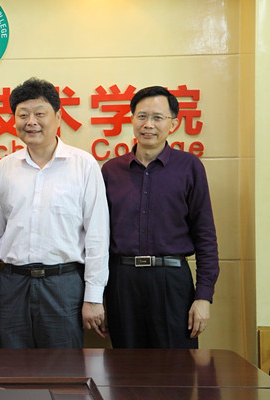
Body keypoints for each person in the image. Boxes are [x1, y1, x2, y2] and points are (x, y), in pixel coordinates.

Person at [0, 77, 110, 348]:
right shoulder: (5, 168)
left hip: (64, 285)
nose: (31, 122)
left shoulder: (83, 165)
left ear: (58, 117)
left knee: (64, 368)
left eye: (40, 114)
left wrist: (94, 296)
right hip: (12, 285)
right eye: (23, 115)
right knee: (12, 368)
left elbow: (97, 236)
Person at [101, 85, 220, 349]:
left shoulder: (189, 167)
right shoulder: (111, 171)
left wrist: (203, 296)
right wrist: (99, 296)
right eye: (142, 116)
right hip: (122, 281)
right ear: (132, 119)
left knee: (177, 367)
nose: (148, 125)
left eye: (158, 117)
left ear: (173, 124)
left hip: (172, 280)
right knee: (126, 367)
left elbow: (205, 236)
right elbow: (100, 239)